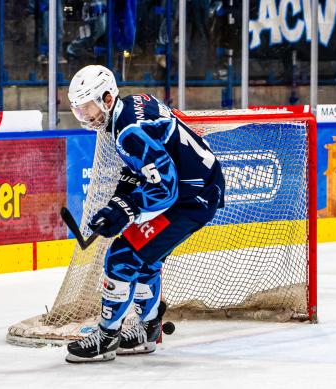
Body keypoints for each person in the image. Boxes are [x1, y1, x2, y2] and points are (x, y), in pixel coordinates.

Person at [64, 65, 225, 363]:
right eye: (79, 110)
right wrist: (120, 200)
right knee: (145, 259)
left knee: (122, 258)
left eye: (89, 108)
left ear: (108, 98)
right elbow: (145, 164)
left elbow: (165, 188)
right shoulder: (136, 103)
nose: (86, 117)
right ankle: (146, 330)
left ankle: (106, 337)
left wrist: (123, 209)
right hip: (200, 186)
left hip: (191, 198)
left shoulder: (128, 132)